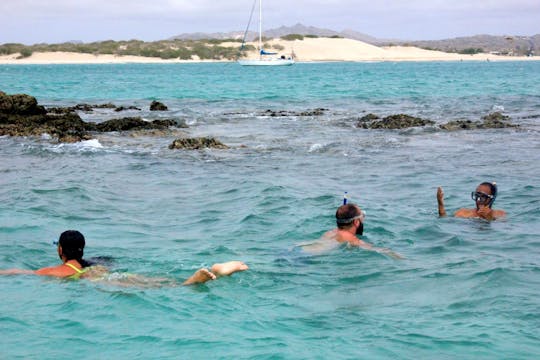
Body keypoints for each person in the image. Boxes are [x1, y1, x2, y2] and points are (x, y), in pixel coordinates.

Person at [0, 230, 248, 286]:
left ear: (60, 250)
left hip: (102, 282)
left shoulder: (55, 271)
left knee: (173, 289)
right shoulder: (94, 263)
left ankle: (198, 278)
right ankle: (217, 269)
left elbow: (18, 273)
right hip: (110, 275)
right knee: (159, 282)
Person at [311, 203, 403, 259]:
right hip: (309, 260)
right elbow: (375, 249)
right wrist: (396, 255)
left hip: (305, 252)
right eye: (362, 217)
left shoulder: (330, 232)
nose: (363, 220)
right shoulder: (351, 238)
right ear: (356, 222)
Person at [437, 182, 506, 220]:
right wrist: (440, 205)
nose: (478, 200)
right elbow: (445, 220)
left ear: (490, 199)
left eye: (482, 197)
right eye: (476, 196)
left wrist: (489, 217)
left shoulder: (499, 214)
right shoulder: (463, 213)